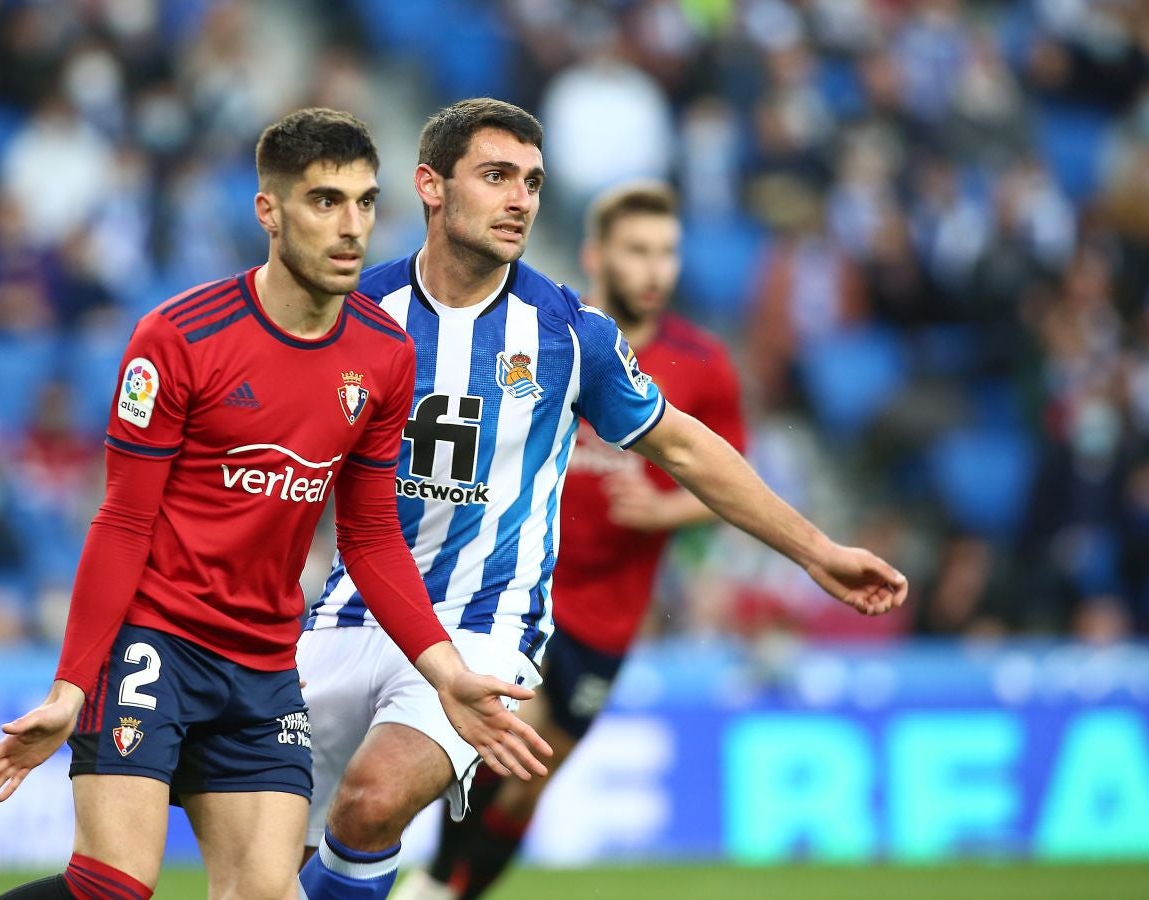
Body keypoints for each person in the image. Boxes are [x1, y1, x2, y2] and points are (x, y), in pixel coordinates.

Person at [297, 98, 907, 900]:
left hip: (489, 624)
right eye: (496, 176)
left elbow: (686, 446)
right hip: (352, 612)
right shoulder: (354, 311)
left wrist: (817, 551)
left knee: (375, 801)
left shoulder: (566, 332)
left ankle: (440, 886)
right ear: (431, 188)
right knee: (262, 850)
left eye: (533, 182)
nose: (520, 198)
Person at [0, 108, 550, 900]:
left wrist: (444, 673)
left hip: (265, 665)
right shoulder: (179, 337)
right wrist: (69, 686)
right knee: (113, 890)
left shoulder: (381, 354)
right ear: (269, 211)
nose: (351, 229)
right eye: (324, 201)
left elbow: (371, 538)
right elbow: (123, 521)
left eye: (366, 203)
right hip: (154, 644)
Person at [398, 180, 746, 900]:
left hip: (608, 614)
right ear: (596, 254)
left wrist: (660, 512)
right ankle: (428, 880)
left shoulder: (703, 365)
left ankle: (446, 887)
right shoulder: (549, 336)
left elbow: (725, 483)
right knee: (492, 745)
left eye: (667, 253)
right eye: (637, 251)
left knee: (529, 782)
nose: (655, 270)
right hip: (515, 588)